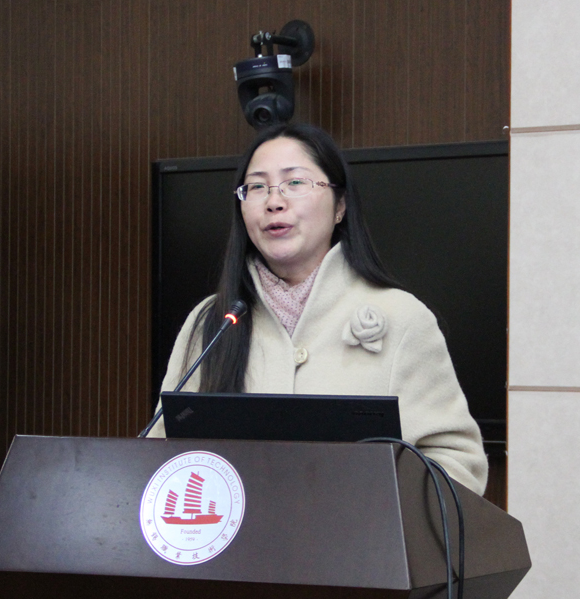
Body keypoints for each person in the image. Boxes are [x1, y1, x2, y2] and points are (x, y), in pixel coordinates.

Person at [148, 123, 488, 496]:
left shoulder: (402, 318)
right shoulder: (212, 321)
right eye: (257, 187)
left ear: (340, 206)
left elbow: (458, 466)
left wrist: (374, 509)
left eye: (295, 182)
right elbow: (162, 453)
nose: (274, 201)